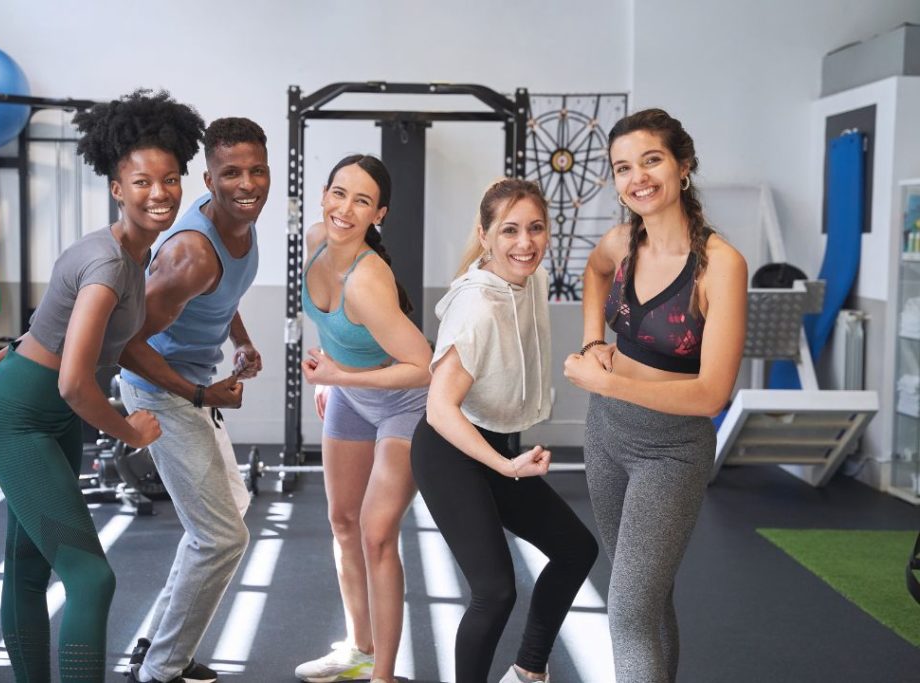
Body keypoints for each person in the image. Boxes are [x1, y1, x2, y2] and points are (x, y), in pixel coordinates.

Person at [0, 89, 204, 682]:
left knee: (29, 566)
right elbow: (73, 382)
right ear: (117, 188)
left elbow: (52, 330)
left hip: (38, 413)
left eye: (169, 180)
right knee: (91, 578)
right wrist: (130, 431)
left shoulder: (129, 254)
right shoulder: (110, 266)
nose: (158, 192)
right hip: (20, 418)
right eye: (141, 182)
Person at [564, 108, 747, 683]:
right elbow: (593, 274)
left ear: (683, 165)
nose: (637, 177)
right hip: (607, 434)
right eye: (623, 168)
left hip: (671, 451)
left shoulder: (721, 265)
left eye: (651, 160)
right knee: (644, 597)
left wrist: (605, 380)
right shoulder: (621, 242)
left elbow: (712, 394)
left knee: (627, 608)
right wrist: (595, 339)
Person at [411, 177, 598, 683]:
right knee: (494, 590)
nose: (526, 243)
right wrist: (504, 466)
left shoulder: (526, 277)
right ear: (486, 235)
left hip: (493, 443)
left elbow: (602, 265)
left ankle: (527, 672)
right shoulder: (478, 309)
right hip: (449, 449)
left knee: (576, 549)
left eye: (536, 228)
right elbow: (438, 409)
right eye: (510, 230)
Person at [116, 116, 271, 683]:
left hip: (189, 384)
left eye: (257, 170)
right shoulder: (190, 253)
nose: (247, 184)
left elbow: (220, 295)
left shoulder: (242, 227)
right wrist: (202, 391)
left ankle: (159, 641)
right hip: (159, 390)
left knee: (228, 511)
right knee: (221, 535)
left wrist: (243, 341)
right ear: (209, 177)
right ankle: (160, 670)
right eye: (231, 173)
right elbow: (126, 344)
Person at [295, 154, 432, 683]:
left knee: (377, 535)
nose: (344, 209)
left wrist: (339, 377)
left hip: (403, 404)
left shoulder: (368, 282)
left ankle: (385, 676)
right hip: (352, 395)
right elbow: (332, 328)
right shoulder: (314, 242)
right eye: (338, 192)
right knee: (342, 521)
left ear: (379, 214)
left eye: (361, 201)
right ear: (324, 194)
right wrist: (333, 372)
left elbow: (422, 368)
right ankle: (360, 648)